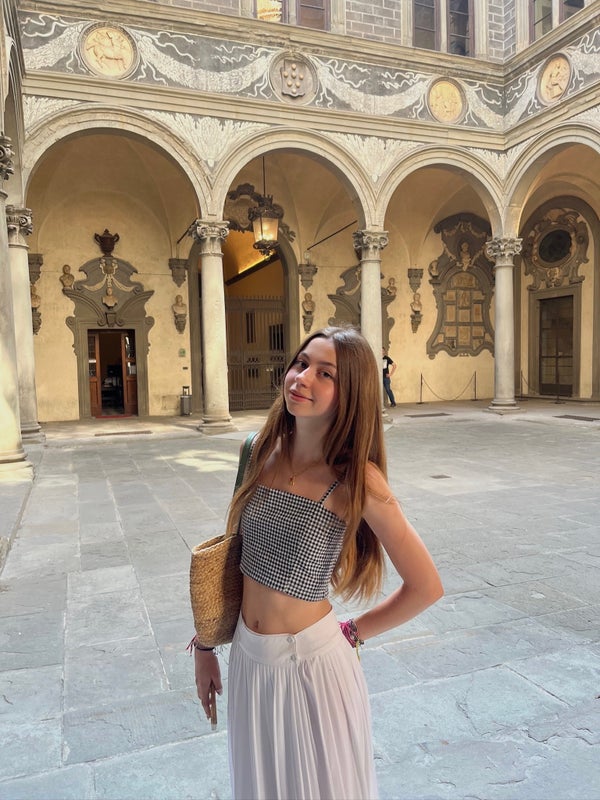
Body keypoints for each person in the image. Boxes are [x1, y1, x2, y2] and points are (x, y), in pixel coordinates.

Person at [192, 326, 443, 800]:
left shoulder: (356, 479)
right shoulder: (256, 450)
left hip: (312, 667)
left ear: (352, 394)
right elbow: (234, 557)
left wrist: (355, 632)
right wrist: (205, 646)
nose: (302, 378)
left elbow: (426, 586)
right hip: (247, 659)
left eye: (325, 373)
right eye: (302, 363)